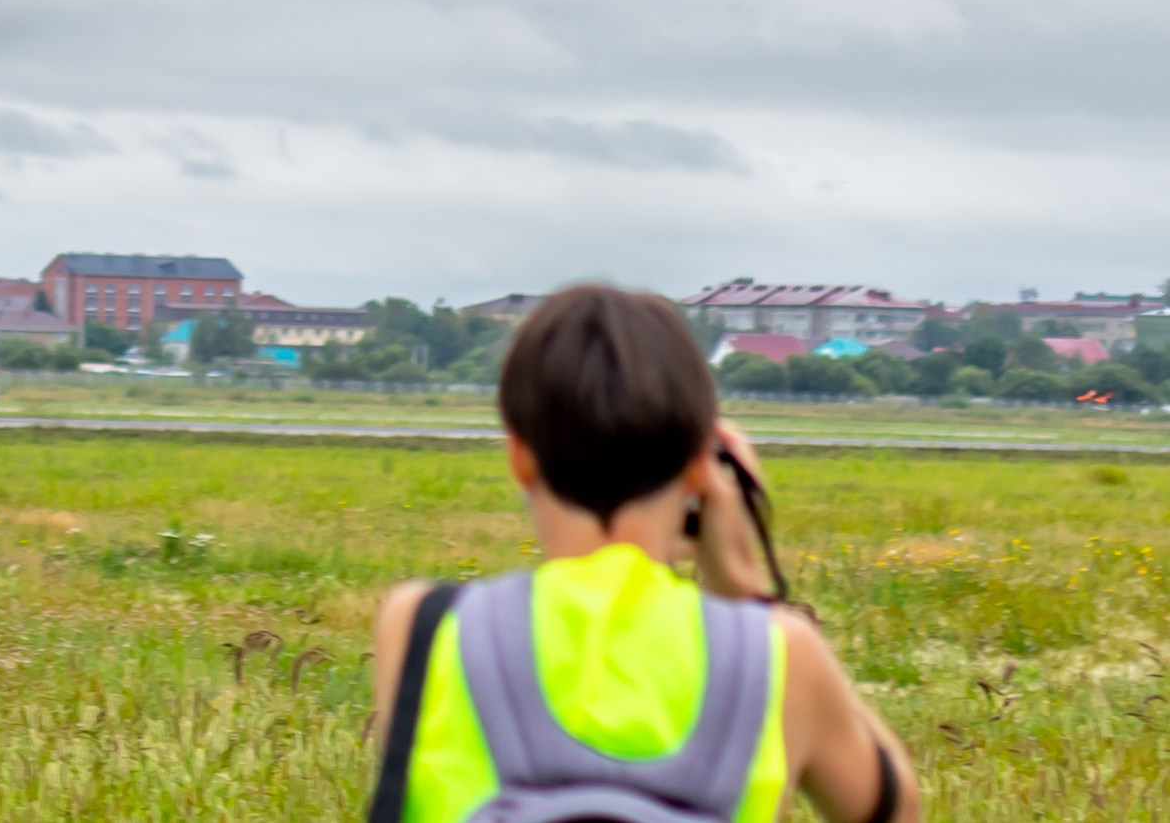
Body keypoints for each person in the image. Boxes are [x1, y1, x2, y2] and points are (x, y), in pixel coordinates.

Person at [369, 283, 921, 823]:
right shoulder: (778, 656)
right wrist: (743, 582)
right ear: (700, 469)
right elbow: (897, 810)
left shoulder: (424, 627)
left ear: (519, 456)